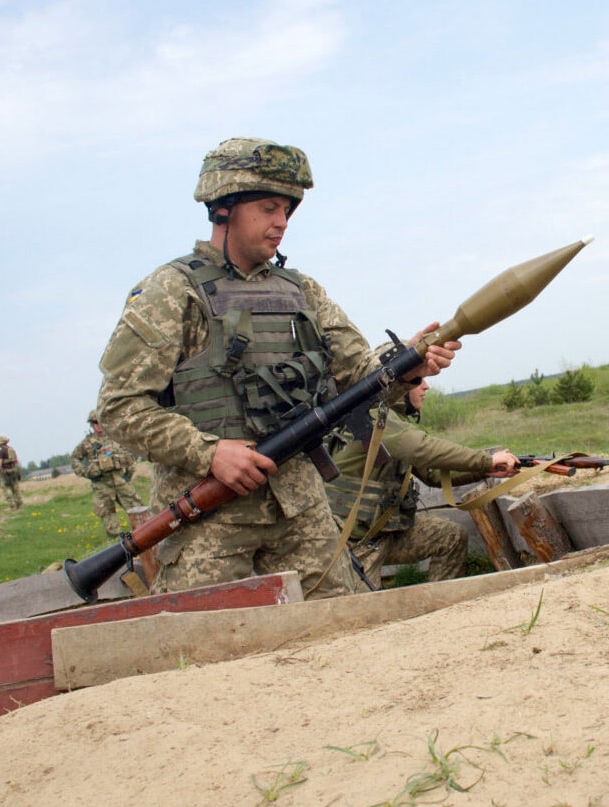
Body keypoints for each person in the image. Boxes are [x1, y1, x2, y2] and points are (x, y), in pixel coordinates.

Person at [95, 137, 459, 599]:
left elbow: (359, 377)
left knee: (343, 631)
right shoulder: (171, 293)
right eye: (268, 207)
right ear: (225, 205)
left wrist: (408, 369)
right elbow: (120, 409)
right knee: (210, 651)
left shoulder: (302, 291)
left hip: (301, 508)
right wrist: (210, 453)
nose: (281, 223)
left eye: (288, 210)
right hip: (209, 515)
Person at [325, 378, 519, 589]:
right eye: (417, 380)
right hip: (356, 544)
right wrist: (486, 460)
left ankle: (440, 607)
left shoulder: (395, 420)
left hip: (386, 534)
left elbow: (433, 474)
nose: (425, 386)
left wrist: (487, 469)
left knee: (451, 537)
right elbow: (423, 448)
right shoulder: (377, 416)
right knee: (366, 615)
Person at [71, 411, 145, 538]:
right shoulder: (87, 444)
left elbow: (130, 454)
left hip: (120, 480)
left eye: (100, 422)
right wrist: (87, 472)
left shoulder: (116, 438)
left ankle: (144, 534)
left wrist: (129, 472)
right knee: (107, 514)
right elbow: (75, 459)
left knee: (136, 507)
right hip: (101, 484)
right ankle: (117, 542)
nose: (98, 426)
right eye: (95, 423)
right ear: (92, 425)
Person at [0, 435, 22, 510]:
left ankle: (12, 506)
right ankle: (19, 504)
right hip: (14, 471)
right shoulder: (12, 449)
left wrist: (0, 471)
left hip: (6, 473)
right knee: (15, 489)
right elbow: (16, 460)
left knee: (6, 489)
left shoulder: (1, 451)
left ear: (1, 443)